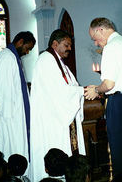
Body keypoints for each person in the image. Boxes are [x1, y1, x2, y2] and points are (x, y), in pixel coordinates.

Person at [84, 17, 122, 181]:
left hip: (121, 104)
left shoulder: (111, 47)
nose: (96, 43)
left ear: (100, 30)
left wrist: (96, 90)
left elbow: (109, 84)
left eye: (95, 38)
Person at [29, 29, 86, 182]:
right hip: (52, 120)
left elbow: (69, 88)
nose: (70, 48)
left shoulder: (59, 63)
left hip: (60, 117)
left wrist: (81, 91)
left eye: (70, 45)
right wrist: (83, 91)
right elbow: (58, 92)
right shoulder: (46, 60)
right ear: (55, 43)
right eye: (67, 45)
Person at [0, 31, 36, 162]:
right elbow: (0, 88)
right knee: (11, 147)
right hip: (10, 114)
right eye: (28, 48)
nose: (27, 52)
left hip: (16, 113)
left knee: (17, 147)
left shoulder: (13, 58)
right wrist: (8, 113)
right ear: (20, 42)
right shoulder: (6, 58)